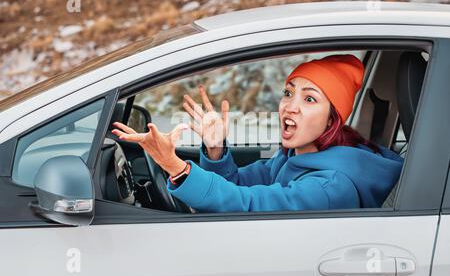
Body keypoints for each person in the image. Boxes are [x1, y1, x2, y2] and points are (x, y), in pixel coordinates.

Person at [112, 54, 404, 212]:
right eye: (288, 93)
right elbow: (239, 185)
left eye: (309, 99)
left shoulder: (330, 187)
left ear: (332, 120)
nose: (291, 107)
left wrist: (175, 166)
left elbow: (248, 205)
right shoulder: (292, 157)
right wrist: (215, 149)